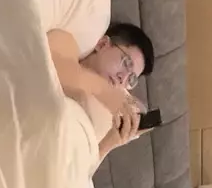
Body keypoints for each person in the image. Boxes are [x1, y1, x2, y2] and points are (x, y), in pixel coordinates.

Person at [47, 21, 155, 163]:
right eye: (126, 63)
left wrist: (108, 144)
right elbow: (49, 68)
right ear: (103, 44)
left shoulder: (104, 119)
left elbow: (80, 171)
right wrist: (104, 91)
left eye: (131, 78)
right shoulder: (65, 42)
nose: (122, 78)